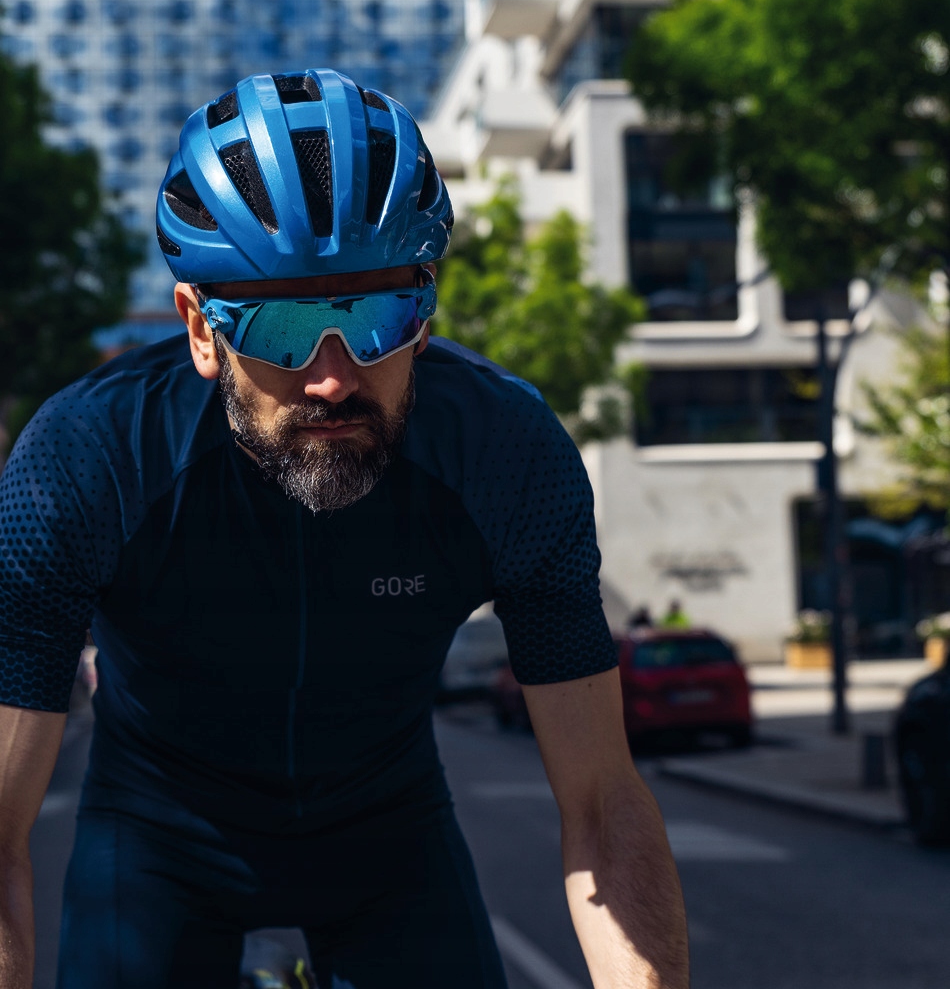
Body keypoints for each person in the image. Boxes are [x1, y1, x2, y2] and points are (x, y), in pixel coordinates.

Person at [0, 69, 688, 989]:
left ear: (426, 315)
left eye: (376, 318)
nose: (333, 378)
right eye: (282, 327)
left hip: (386, 834)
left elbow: (601, 803)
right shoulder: (88, 459)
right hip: (156, 832)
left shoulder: (507, 456)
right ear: (201, 329)